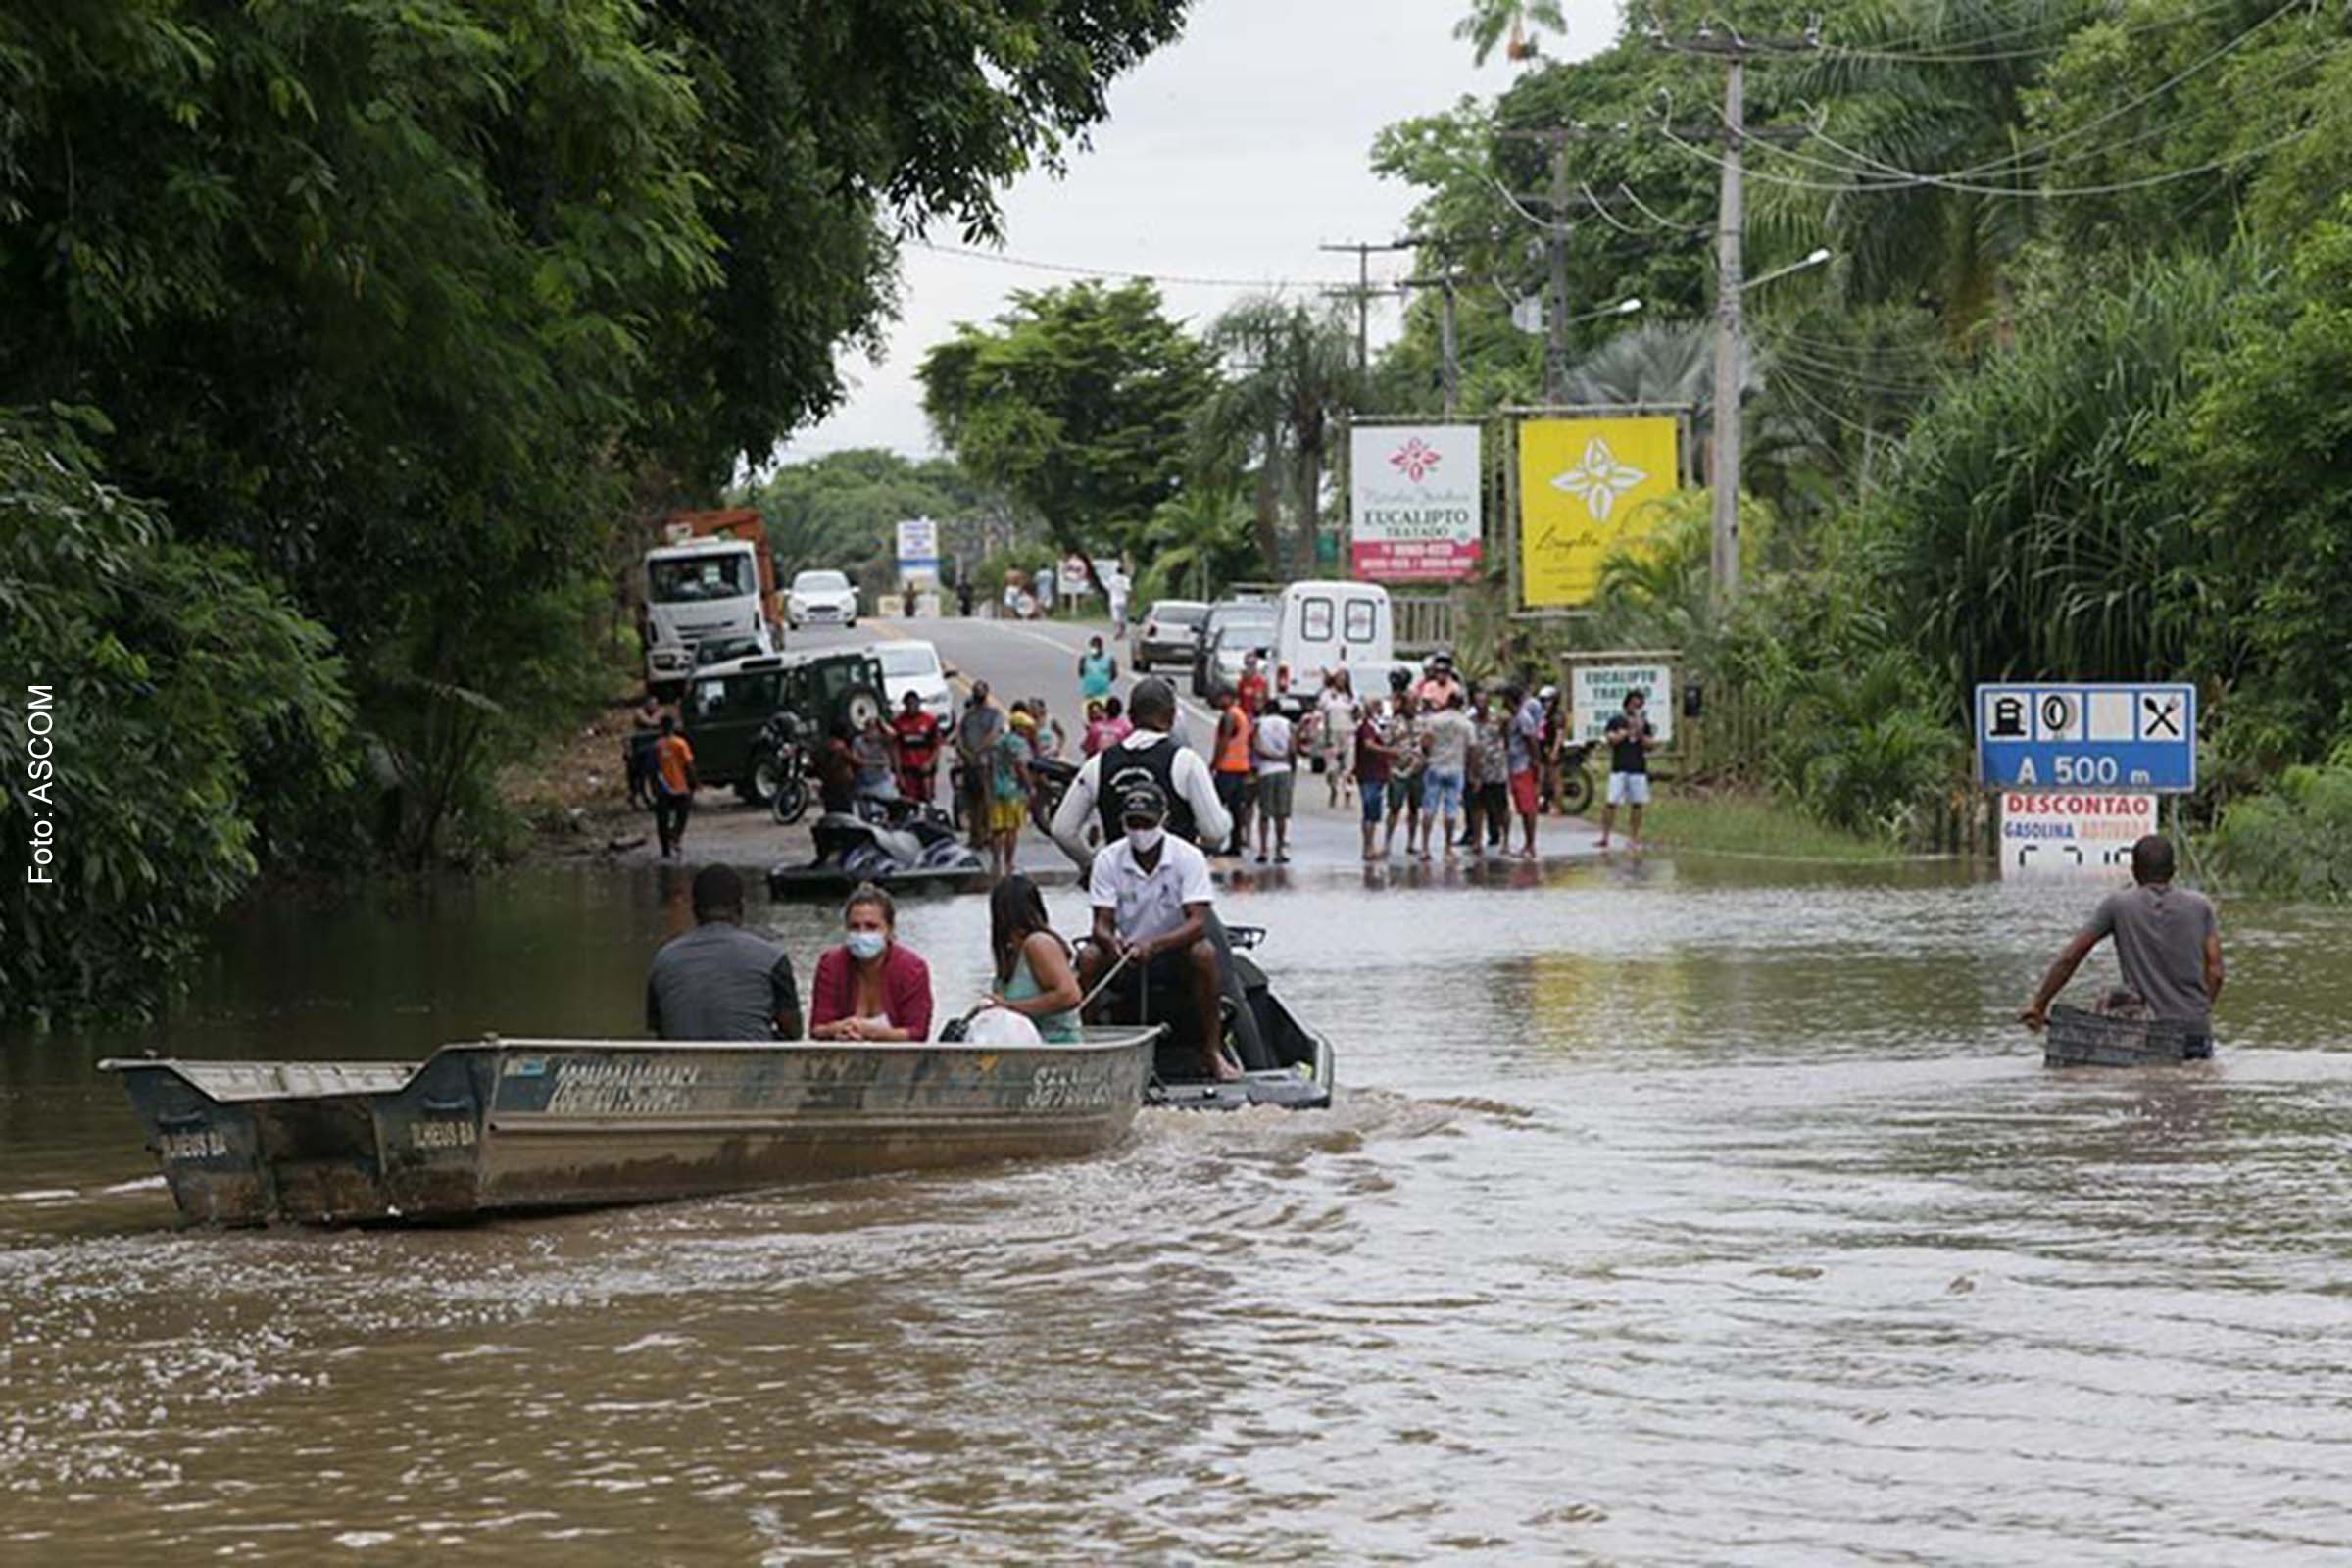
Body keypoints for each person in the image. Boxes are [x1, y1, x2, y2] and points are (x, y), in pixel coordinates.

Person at [1077, 780, 1235, 1081]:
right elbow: (1101, 923)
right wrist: (1114, 945)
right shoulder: (1108, 859)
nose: (1139, 831)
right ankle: (1086, 1048)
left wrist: (1156, 945)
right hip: (1124, 954)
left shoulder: (1187, 857)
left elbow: (1197, 921)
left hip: (1175, 951)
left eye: (1146, 823)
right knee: (1087, 957)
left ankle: (1212, 1050)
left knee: (1205, 953)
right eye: (1132, 823)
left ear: (1164, 820)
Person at [2020, 835, 2224, 1055]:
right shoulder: (2200, 906)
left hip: (2146, 1034)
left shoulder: (2118, 905)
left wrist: (2039, 1005)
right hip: (2195, 1031)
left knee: (2145, 1085)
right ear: (2174, 870)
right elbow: (2216, 972)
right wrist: (2199, 1012)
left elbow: (2072, 956)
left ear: (2134, 871)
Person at [1047, 675, 1232, 867]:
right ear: (1171, 716)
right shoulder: (1187, 762)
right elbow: (1215, 831)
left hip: (1120, 882)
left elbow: (1062, 830)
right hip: (1174, 881)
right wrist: (1197, 853)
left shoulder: (1099, 764)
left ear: (1131, 716)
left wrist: (1091, 865)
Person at [646, 865, 803, 1040]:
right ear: (741, 908)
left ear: (695, 910)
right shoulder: (773, 958)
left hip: (685, 1066)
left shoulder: (664, 960)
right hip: (754, 1065)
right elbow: (793, 1032)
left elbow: (661, 1031)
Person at [808, 883, 934, 1041]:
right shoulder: (830, 964)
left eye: (871, 926)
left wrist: (874, 1033)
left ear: (889, 929)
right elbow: (817, 1028)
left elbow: (918, 1033)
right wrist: (838, 1029)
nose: (862, 933)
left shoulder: (913, 969)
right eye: (855, 927)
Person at [986, 873, 1084, 1042]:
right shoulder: (1010, 954)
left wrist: (1010, 1007)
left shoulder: (1038, 944)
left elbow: (1070, 995)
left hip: (1054, 1046)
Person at [1417, 690, 1474, 861]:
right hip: (1456, 767)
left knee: (1429, 808)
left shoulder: (1434, 720)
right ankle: (1447, 848)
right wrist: (1472, 770)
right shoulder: (1466, 724)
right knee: (1451, 810)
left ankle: (1425, 847)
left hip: (1435, 765)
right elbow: (1472, 748)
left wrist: (1429, 755)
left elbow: (1425, 743)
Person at [1597, 689, 1656, 849]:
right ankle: (1605, 836)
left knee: (1637, 803)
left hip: (1637, 767)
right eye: (1633, 704)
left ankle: (1634, 837)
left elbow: (1651, 745)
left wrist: (1640, 734)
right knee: (1611, 802)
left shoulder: (1644, 724)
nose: (1635, 708)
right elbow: (1610, 740)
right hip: (1619, 767)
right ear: (1626, 704)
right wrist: (1624, 733)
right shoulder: (1616, 721)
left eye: (1639, 705)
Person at [956, 681, 1006, 850]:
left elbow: (994, 734)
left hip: (987, 762)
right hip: (970, 763)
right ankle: (975, 835)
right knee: (972, 801)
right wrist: (966, 753)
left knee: (987, 801)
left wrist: (977, 750)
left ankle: (987, 834)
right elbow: (959, 737)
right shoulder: (968, 716)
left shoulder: (994, 714)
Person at [1382, 671, 1425, 858]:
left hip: (1417, 770)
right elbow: (1385, 744)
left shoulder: (1422, 723)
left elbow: (1427, 744)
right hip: (1398, 771)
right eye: (1411, 703)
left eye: (1416, 703)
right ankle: (1387, 842)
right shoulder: (1394, 724)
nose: (1414, 707)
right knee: (1394, 808)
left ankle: (1411, 842)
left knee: (1415, 808)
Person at [990, 709, 1037, 877]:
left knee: (997, 828)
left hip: (997, 789)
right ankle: (1009, 862)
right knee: (1011, 829)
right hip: (1014, 791)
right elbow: (1021, 766)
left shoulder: (999, 741)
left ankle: (995, 861)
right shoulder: (1019, 743)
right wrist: (1030, 787)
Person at [1211, 683, 1254, 857]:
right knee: (1236, 809)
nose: (1216, 700)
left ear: (1228, 697)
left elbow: (1223, 742)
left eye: (1220, 697)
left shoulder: (1229, 717)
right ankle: (1235, 844)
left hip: (1227, 768)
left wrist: (1214, 763)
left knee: (1216, 807)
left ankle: (1213, 841)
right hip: (1241, 767)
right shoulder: (1241, 715)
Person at [1252, 701, 1296, 864]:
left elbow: (1256, 745)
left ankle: (1263, 849)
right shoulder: (1288, 725)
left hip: (1266, 770)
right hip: (1283, 769)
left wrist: (1269, 755)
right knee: (1282, 814)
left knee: (1264, 813)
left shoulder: (1260, 724)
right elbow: (1292, 748)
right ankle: (1279, 849)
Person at [1354, 695, 1396, 861]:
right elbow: (1369, 745)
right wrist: (1390, 752)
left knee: (1373, 811)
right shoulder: (1367, 728)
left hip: (1377, 772)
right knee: (1370, 810)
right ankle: (1368, 846)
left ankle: (1370, 845)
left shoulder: (1377, 726)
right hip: (1369, 773)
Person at [1507, 681, 1545, 858]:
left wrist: (1535, 764)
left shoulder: (1524, 718)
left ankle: (1530, 844)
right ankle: (1527, 843)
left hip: (1523, 766)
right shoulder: (1513, 718)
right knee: (1522, 807)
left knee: (1528, 806)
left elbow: (1532, 742)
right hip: (1514, 766)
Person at [651, 714, 696, 858]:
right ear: (673, 727)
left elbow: (653, 768)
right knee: (682, 815)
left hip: (663, 787)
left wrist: (653, 786)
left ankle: (665, 849)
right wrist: (693, 781)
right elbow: (688, 765)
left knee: (662, 820)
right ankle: (675, 836)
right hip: (680, 786)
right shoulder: (680, 744)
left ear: (661, 728)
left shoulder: (657, 746)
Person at [891, 690, 943, 805]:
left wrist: (930, 763)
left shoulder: (929, 721)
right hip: (907, 769)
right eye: (909, 704)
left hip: (924, 769)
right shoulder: (898, 723)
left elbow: (936, 746)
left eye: (914, 703)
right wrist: (898, 774)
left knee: (927, 800)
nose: (912, 707)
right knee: (908, 801)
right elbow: (895, 749)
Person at [1317, 669, 1358, 808]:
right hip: (1332, 733)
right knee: (1332, 768)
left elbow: (1358, 714)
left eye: (1344, 678)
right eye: (1339, 678)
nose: (1342, 681)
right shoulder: (1327, 695)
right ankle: (1333, 789)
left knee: (1349, 767)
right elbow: (1320, 712)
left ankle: (1348, 795)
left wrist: (1357, 711)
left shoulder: (1352, 696)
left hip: (1349, 732)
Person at [851, 712, 900, 803]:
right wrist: (876, 763)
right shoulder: (858, 741)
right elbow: (856, 760)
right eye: (868, 728)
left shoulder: (882, 740)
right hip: (864, 782)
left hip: (881, 781)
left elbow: (893, 735)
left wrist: (882, 723)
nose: (870, 732)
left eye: (873, 729)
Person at [626, 693, 663, 809]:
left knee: (654, 775)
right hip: (639, 748)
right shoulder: (639, 712)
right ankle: (637, 798)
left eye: (655, 703)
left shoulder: (659, 711)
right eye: (651, 703)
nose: (653, 706)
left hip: (653, 749)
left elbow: (659, 718)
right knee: (637, 776)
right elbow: (648, 721)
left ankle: (654, 798)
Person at [815, 718, 858, 815]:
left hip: (828, 785)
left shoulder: (824, 746)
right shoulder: (840, 747)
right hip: (842, 787)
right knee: (845, 815)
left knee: (832, 814)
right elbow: (855, 761)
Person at [1414, 650, 1464, 714]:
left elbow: (1458, 706)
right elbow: (1426, 704)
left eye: (1444, 672)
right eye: (1439, 672)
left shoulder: (1455, 686)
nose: (1441, 675)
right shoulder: (1429, 686)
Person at [1077, 635, 1118, 703]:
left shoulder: (1109, 659)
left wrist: (1104, 681)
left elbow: (1114, 674)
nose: (1094, 649)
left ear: (1101, 647)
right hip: (1089, 693)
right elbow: (1081, 673)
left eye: (1096, 647)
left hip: (1103, 693)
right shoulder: (1084, 658)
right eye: (1092, 647)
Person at [1236, 650, 1269, 719]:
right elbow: (1239, 697)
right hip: (1243, 714)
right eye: (1248, 664)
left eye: (1252, 664)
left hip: (1256, 715)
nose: (1250, 667)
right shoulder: (1242, 681)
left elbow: (1263, 699)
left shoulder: (1261, 682)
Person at [1106, 566, 1130, 642]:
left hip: (1114, 601)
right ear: (1123, 572)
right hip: (1123, 601)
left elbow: (1109, 588)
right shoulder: (1126, 579)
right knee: (1123, 617)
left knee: (1116, 617)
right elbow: (1127, 590)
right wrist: (1129, 599)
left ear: (1116, 572)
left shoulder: (1112, 579)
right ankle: (1122, 632)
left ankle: (1119, 631)